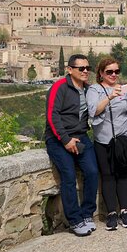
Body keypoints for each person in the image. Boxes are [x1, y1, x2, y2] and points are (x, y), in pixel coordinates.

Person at [44, 54, 98, 237]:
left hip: (81, 136)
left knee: (91, 172)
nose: (85, 72)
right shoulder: (59, 87)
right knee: (68, 176)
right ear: (70, 70)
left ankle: (87, 214)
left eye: (87, 68)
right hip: (58, 139)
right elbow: (52, 116)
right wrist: (66, 140)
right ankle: (75, 220)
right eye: (80, 68)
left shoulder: (88, 89)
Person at [86, 57, 127, 230]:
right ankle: (111, 213)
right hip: (103, 141)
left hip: (122, 140)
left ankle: (124, 212)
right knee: (108, 176)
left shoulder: (125, 90)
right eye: (109, 72)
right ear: (101, 73)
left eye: (116, 71)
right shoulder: (94, 90)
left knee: (122, 176)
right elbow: (93, 110)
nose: (113, 75)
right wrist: (110, 96)